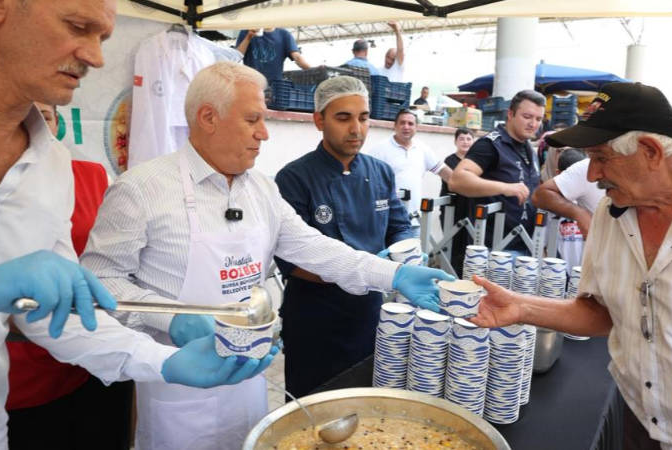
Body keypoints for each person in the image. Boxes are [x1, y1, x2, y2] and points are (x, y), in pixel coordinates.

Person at [81, 61, 453, 450]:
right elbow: (100, 283)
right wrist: (171, 318)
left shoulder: (261, 189)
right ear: (208, 117)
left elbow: (315, 248)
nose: (264, 133)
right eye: (253, 119)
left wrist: (393, 274)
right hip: (178, 381)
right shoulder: (141, 189)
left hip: (250, 379)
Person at [0, 1, 277, 448]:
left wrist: (161, 361)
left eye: (102, 38)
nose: (96, 57)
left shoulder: (50, 165)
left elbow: (60, 319)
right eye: (77, 26)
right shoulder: (144, 185)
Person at [469, 82, 672, 450]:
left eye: (601, 157)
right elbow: (604, 312)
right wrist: (522, 308)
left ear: (650, 151)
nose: (591, 175)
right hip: (638, 422)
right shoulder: (609, 212)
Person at [274, 76, 415, 397]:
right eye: (343, 118)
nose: (356, 129)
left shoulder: (380, 172)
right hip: (315, 317)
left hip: (369, 312)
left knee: (366, 398)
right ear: (319, 121)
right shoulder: (294, 178)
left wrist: (408, 252)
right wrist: (368, 273)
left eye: (363, 118)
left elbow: (398, 225)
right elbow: (291, 262)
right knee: (312, 404)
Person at [5, 103, 133, 450]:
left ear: (58, 122)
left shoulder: (91, 176)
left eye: (43, 117)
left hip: (93, 354)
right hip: (19, 373)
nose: (32, 129)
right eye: (21, 116)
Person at [449, 90, 546, 255]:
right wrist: (504, 187)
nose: (533, 124)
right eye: (527, 117)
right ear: (510, 114)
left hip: (527, 245)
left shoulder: (528, 147)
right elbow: (456, 180)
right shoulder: (490, 144)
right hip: (495, 249)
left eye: (538, 119)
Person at [368, 109, 453, 236]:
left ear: (416, 127)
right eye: (402, 123)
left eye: (410, 123)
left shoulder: (422, 148)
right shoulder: (380, 149)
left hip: (414, 220)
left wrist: (463, 185)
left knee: (415, 249)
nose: (406, 127)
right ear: (395, 126)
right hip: (388, 221)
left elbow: (445, 172)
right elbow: (369, 182)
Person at [532, 147, 605, 241]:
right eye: (559, 150)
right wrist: (579, 214)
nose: (592, 177)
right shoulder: (583, 168)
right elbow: (539, 196)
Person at [439, 128, 475, 277]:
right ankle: (449, 277)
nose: (465, 142)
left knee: (469, 246)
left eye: (468, 139)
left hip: (470, 208)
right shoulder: (450, 161)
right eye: (461, 139)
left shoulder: (475, 162)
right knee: (452, 245)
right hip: (452, 208)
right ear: (455, 142)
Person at [235, 28, 311, 81]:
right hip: (251, 81)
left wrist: (313, 71)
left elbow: (297, 57)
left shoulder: (284, 34)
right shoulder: (246, 31)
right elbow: (237, 56)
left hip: (275, 84)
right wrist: (248, 37)